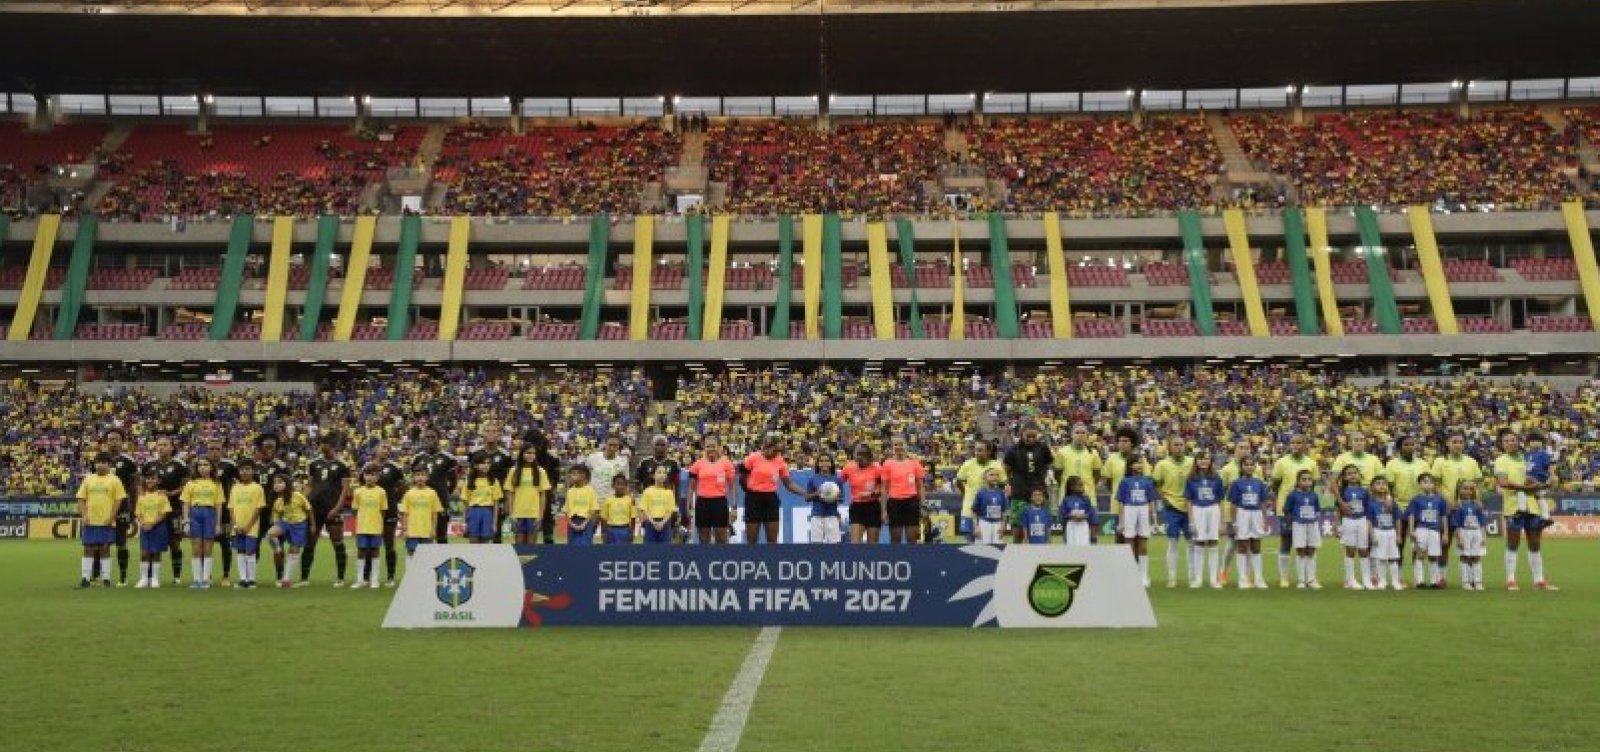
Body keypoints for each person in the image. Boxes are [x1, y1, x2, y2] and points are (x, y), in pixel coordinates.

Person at [1495, 430, 1556, 591]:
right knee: (1513, 543)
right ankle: (1510, 579)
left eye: (1513, 440)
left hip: (1533, 506)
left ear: (1518, 441)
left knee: (1535, 543)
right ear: (1502, 444)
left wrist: (1545, 484)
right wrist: (1525, 487)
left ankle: (1539, 580)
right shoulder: (1501, 460)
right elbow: (1503, 482)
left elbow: (1534, 478)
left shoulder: (1526, 458)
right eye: (1506, 441)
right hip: (1514, 506)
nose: (1510, 443)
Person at [1429, 430, 1480, 585]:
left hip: (1467, 509)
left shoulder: (1471, 461)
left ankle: (1471, 578)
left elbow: (1477, 484)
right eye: (1454, 442)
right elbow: (1435, 485)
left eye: (1460, 442)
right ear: (1448, 444)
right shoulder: (1440, 461)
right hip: (1447, 509)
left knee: (1468, 544)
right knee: (1444, 543)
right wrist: (1447, 504)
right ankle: (1441, 577)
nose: (1457, 445)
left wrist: (1477, 500)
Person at [1269, 434, 1318, 589]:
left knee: (1308, 544)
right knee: (1286, 541)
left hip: (1305, 510)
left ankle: (1308, 578)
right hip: (1286, 509)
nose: (1296, 445)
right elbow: (1275, 485)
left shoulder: (1311, 463)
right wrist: (1280, 501)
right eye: (1293, 443)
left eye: (1299, 442)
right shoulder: (1281, 462)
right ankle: (1284, 577)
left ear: (1304, 445)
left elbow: (1313, 484)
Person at [739, 434, 807, 545]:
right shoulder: (753, 458)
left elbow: (788, 484)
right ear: (766, 447)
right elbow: (742, 477)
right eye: (774, 450)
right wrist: (750, 490)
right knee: (752, 540)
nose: (776, 453)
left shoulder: (780, 462)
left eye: (778, 451)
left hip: (771, 500)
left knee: (772, 541)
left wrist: (805, 493)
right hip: (753, 499)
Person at [304, 434, 352, 586]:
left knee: (337, 542)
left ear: (332, 446)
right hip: (315, 508)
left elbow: (345, 489)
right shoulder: (313, 463)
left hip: (333, 508)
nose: (321, 447)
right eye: (320, 443)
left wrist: (337, 508)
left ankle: (340, 578)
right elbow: (309, 485)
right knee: (310, 542)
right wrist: (304, 503)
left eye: (324, 444)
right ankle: (304, 578)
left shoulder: (342, 465)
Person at [75, 453, 128, 589]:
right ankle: (85, 578)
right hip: (90, 520)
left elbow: (119, 500)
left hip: (106, 521)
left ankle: (106, 578)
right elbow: (81, 498)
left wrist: (111, 517)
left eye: (104, 462)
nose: (100, 464)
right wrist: (84, 515)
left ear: (109, 464)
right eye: (98, 462)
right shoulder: (88, 479)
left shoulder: (115, 480)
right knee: (88, 548)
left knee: (105, 549)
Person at [142, 436, 188, 585]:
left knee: (175, 542)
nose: (161, 447)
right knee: (152, 543)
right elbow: (141, 484)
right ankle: (150, 576)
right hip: (152, 511)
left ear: (171, 447)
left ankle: (177, 576)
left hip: (173, 509)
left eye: (165, 445)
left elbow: (187, 486)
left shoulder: (179, 465)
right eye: (159, 445)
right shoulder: (149, 464)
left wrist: (171, 493)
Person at [1151, 435, 1195, 588]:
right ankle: (1172, 578)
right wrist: (1164, 499)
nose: (1179, 447)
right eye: (1175, 445)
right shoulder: (1162, 464)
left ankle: (1192, 577)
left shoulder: (1191, 462)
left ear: (1185, 446)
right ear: (1170, 447)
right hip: (1172, 508)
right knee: (1173, 542)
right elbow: (1156, 484)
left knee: (1192, 543)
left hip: (1190, 507)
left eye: (1181, 444)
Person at [101, 428, 141, 587]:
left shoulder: (129, 461)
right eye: (110, 439)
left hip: (123, 506)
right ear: (106, 442)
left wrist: (133, 508)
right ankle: (103, 576)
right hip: (103, 507)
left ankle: (123, 577)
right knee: (102, 542)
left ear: (122, 442)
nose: (113, 442)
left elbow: (133, 487)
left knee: (121, 541)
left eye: (117, 439)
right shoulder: (99, 460)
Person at [1382, 434, 1429, 566]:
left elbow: (1428, 485)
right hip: (1400, 507)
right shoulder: (1392, 464)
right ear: (1399, 448)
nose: (1410, 447)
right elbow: (1389, 486)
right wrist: (1390, 500)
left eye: (1412, 444)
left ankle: (1417, 576)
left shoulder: (1423, 464)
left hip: (1419, 508)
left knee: (1418, 543)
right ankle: (1398, 576)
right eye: (1406, 445)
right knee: (1399, 543)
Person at [1224, 455, 1270, 589]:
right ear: (1241, 467)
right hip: (1242, 514)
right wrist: (1234, 522)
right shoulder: (1236, 483)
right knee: (1242, 546)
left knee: (1256, 547)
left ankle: (1258, 579)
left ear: (1255, 467)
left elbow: (1263, 503)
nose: (1249, 467)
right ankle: (1243, 579)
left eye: (1251, 464)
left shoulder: (1259, 483)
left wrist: (1265, 520)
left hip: (1256, 515)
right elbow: (1233, 504)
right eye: (1246, 464)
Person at [1002, 424, 1053, 544]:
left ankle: (1043, 554)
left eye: (1033, 436)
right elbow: (1006, 468)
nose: (1031, 438)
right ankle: (1017, 550)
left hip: (1039, 491)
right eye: (1028, 436)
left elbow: (1048, 464)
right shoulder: (1013, 450)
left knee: (1042, 525)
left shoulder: (1043, 448)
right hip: (1019, 491)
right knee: (1018, 526)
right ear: (1021, 435)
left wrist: (1041, 478)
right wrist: (1010, 483)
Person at [179, 457, 224, 589]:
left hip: (209, 513)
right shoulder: (191, 483)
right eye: (200, 465)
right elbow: (186, 503)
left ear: (211, 467)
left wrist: (218, 524)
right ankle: (196, 579)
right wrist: (186, 521)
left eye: (206, 465)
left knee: (208, 548)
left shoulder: (216, 484)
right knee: (196, 548)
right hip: (195, 513)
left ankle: (205, 579)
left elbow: (219, 505)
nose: (202, 467)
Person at [1216, 440, 1255, 586]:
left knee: (1249, 543)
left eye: (1247, 448)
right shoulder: (1227, 469)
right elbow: (1221, 491)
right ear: (1235, 450)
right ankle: (1223, 571)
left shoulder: (1255, 469)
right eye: (1241, 448)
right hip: (1232, 511)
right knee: (1232, 543)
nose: (1244, 450)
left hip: (1251, 510)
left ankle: (1247, 575)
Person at [1183, 452, 1224, 588]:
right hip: (1197, 509)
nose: (1203, 461)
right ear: (1196, 461)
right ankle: (1198, 579)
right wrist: (1191, 521)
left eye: (1206, 458)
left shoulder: (1216, 478)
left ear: (1210, 461)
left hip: (1213, 509)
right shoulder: (1191, 479)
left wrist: (1222, 521)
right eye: (1201, 459)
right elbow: (1188, 501)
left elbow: (1219, 500)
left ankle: (1213, 579)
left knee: (1213, 542)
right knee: (1199, 542)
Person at [469, 421, 515, 545]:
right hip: (478, 500)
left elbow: (509, 480)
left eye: (494, 431)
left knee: (496, 535)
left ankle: (495, 563)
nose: (491, 434)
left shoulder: (505, 455)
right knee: (475, 537)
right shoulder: (474, 453)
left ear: (499, 435)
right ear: (483, 434)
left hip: (497, 501)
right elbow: (470, 477)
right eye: (488, 431)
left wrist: (506, 502)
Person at [411, 428, 460, 545]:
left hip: (441, 502)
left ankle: (443, 562)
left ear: (438, 439)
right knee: (422, 535)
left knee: (441, 536)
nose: (430, 440)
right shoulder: (418, 458)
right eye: (427, 437)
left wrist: (445, 495)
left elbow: (453, 481)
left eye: (433, 437)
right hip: (422, 502)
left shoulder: (448, 458)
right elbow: (413, 480)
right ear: (424, 439)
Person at [1115, 457, 1157, 587]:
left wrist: (1154, 519)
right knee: (1129, 542)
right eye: (1136, 462)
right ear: (1130, 465)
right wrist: (1121, 522)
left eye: (1140, 462)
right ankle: (1131, 574)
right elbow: (1121, 502)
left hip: (1143, 509)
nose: (1139, 465)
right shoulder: (1125, 481)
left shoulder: (1147, 481)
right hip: (1129, 509)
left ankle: (1144, 575)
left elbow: (1151, 501)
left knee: (1143, 542)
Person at [265, 474, 312, 589]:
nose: (277, 485)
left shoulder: (297, 495)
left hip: (299, 525)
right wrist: (278, 526)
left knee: (294, 551)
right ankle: (278, 549)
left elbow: (309, 510)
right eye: (275, 483)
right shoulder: (277, 501)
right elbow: (276, 517)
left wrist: (313, 525)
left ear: (287, 484)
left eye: (280, 482)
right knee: (270, 534)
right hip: (285, 523)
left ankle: (286, 579)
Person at [687, 436, 737, 545]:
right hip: (702, 504)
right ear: (704, 448)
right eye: (708, 446)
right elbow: (691, 487)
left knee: (722, 540)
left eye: (713, 446)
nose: (711, 449)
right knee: (704, 540)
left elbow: (733, 486)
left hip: (720, 504)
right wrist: (689, 507)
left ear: (718, 447)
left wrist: (734, 508)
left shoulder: (726, 463)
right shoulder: (697, 464)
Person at [634, 435, 684, 542]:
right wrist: (646, 496)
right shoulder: (644, 463)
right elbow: (637, 483)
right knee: (650, 537)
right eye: (657, 444)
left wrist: (677, 506)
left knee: (667, 538)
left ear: (667, 447)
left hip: (667, 508)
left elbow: (677, 486)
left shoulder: (674, 463)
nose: (660, 447)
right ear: (653, 446)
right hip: (649, 509)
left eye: (663, 445)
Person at [226, 460, 266, 590]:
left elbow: (258, 509)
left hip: (251, 527)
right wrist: (235, 525)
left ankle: (252, 579)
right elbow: (231, 508)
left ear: (253, 471)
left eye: (248, 469)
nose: (244, 472)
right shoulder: (235, 488)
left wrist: (248, 525)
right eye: (242, 469)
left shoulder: (257, 488)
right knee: (240, 552)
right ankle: (243, 579)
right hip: (237, 527)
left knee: (250, 552)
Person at [954, 438, 1005, 542]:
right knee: (969, 542)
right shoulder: (967, 464)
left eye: (981, 450)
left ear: (989, 452)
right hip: (969, 510)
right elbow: (959, 482)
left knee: (990, 544)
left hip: (990, 512)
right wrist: (966, 494)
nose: (977, 453)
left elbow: (1003, 484)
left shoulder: (997, 465)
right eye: (976, 450)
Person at [1406, 473, 1450, 590]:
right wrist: (1411, 530)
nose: (1428, 484)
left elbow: (1443, 517)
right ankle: (1419, 580)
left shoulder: (1439, 500)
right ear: (1419, 484)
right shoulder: (1416, 499)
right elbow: (1411, 515)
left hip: (1435, 530)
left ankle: (1434, 581)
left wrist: (1445, 533)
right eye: (1425, 481)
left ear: (1434, 484)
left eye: (1430, 482)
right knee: (1420, 554)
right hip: (1421, 529)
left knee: (1433, 556)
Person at [880, 437, 927, 544]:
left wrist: (923, 505)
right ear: (892, 448)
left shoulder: (915, 463)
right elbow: (884, 489)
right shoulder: (887, 464)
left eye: (901, 444)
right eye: (896, 445)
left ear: (906, 447)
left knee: (912, 539)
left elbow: (920, 486)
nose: (899, 447)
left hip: (912, 503)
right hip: (894, 503)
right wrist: (883, 510)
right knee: (895, 539)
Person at [372, 444, 407, 587]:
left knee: (389, 544)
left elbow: (403, 486)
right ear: (375, 450)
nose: (385, 450)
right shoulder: (368, 467)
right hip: (372, 511)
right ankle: (369, 577)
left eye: (388, 448)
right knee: (371, 545)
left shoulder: (394, 467)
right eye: (382, 447)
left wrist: (394, 501)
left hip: (390, 510)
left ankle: (391, 577)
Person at [349, 465, 388, 589]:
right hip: (362, 527)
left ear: (377, 477)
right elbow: (355, 510)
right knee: (361, 551)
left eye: (372, 475)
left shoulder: (381, 492)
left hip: (375, 527)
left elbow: (383, 510)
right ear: (363, 476)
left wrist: (379, 524)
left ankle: (374, 579)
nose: (369, 477)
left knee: (375, 551)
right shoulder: (358, 491)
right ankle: (360, 579)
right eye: (367, 474)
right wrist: (359, 523)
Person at [1335, 465, 1373, 591]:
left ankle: (1367, 580)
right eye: (1349, 473)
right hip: (1348, 521)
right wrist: (1337, 524)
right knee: (1350, 550)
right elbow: (1338, 509)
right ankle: (1350, 579)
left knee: (1363, 550)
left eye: (1354, 473)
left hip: (1362, 520)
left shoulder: (1364, 491)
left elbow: (1368, 509)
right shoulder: (1342, 491)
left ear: (1359, 475)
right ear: (1345, 477)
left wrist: (1368, 524)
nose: (1352, 475)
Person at [504, 446, 552, 546]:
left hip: (534, 514)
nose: (531, 455)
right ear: (522, 454)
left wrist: (540, 516)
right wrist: (512, 514)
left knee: (531, 547)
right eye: (528, 453)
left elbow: (543, 495)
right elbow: (510, 494)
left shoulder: (541, 471)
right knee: (519, 546)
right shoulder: (513, 471)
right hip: (518, 514)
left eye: (533, 453)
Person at [1284, 469, 1323, 590]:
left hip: (1312, 524)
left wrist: (1315, 521)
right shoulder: (1293, 495)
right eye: (1304, 479)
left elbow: (1317, 510)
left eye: (1309, 479)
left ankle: (1311, 579)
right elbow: (1286, 510)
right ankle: (1301, 580)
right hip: (1299, 524)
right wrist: (1290, 523)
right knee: (1301, 550)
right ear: (1298, 481)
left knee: (1311, 550)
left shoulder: (1314, 495)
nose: (1307, 482)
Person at [1103, 427, 1141, 548]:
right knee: (1119, 537)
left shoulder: (1140, 459)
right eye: (1120, 441)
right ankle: (1119, 566)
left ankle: (1135, 566)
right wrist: (1117, 494)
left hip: (1137, 505)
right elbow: (1108, 481)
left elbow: (1146, 481)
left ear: (1132, 443)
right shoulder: (1112, 458)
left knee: (1136, 539)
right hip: (1117, 505)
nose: (1122, 444)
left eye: (1125, 441)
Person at [209, 437, 239, 587]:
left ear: (222, 450)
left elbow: (241, 482)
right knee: (206, 544)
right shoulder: (201, 465)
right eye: (211, 449)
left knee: (225, 543)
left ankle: (226, 575)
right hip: (206, 510)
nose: (214, 452)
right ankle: (206, 575)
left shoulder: (230, 465)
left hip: (225, 511)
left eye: (217, 449)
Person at [841, 444, 884, 544]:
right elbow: (838, 482)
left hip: (873, 507)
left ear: (868, 456)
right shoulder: (849, 467)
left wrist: (873, 494)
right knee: (855, 543)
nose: (859, 457)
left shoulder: (877, 468)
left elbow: (884, 487)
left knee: (872, 543)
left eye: (862, 454)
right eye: (857, 454)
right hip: (857, 507)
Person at [1052, 422, 1101, 510]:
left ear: (1087, 435)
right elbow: (1057, 474)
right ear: (1072, 435)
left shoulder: (1093, 453)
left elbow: (1097, 474)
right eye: (1077, 432)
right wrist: (1066, 485)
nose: (1080, 435)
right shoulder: (1062, 452)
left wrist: (1088, 486)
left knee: (1092, 523)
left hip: (1088, 497)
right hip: (1066, 497)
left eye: (1083, 433)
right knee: (1065, 523)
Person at [1451, 479, 1489, 591]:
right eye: (1465, 488)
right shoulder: (1458, 506)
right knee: (1464, 557)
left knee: (1476, 557)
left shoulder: (1477, 505)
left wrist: (1484, 536)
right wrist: (1458, 539)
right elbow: (1456, 524)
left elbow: (1482, 522)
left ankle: (1477, 581)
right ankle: (1466, 581)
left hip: (1476, 532)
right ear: (1459, 490)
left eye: (1471, 489)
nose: (1468, 491)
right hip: (1464, 532)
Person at [1367, 478, 1404, 590]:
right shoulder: (1371, 504)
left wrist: (1398, 535)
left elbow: (1398, 520)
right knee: (1381, 558)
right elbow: (1369, 522)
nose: (1381, 486)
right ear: (1372, 487)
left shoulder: (1393, 503)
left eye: (1384, 484)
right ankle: (1382, 580)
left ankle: (1395, 581)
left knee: (1393, 558)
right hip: (1379, 532)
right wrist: (1372, 536)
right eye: (1378, 484)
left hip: (1391, 532)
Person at [134, 472, 169, 589]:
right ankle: (143, 579)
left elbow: (164, 513)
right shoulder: (141, 496)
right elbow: (138, 513)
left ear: (158, 481)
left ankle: (154, 579)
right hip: (145, 527)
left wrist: (152, 523)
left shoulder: (162, 496)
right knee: (144, 553)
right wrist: (143, 523)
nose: (150, 481)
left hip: (158, 527)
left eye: (153, 479)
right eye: (148, 479)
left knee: (156, 553)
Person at [802, 452, 846, 544]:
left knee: (835, 545)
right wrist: (817, 493)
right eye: (821, 461)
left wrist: (832, 497)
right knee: (817, 545)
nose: (824, 463)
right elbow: (807, 497)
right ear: (818, 463)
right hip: (817, 516)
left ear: (831, 463)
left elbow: (841, 499)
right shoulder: (813, 479)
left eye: (827, 461)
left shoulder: (837, 480)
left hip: (832, 515)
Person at [400, 469, 444, 556]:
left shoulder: (432, 493)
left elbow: (434, 514)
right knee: (411, 554)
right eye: (418, 475)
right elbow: (405, 513)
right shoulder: (409, 493)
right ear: (414, 477)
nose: (420, 477)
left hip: (426, 531)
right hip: (412, 531)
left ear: (427, 477)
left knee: (426, 556)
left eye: (423, 475)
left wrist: (433, 530)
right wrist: (404, 530)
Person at [459, 455, 501, 544]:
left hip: (487, 512)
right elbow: (465, 504)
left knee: (485, 542)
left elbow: (496, 504)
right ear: (475, 465)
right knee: (473, 542)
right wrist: (464, 522)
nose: (486, 465)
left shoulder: (494, 481)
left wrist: (494, 523)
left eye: (488, 463)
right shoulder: (469, 481)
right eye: (483, 463)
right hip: (473, 512)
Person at [585, 435, 631, 514]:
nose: (612, 448)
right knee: (592, 525)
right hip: (594, 500)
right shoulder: (593, 458)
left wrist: (627, 499)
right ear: (605, 445)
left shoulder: (623, 462)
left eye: (615, 446)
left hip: (612, 501)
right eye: (610, 445)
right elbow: (585, 475)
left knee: (610, 525)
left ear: (618, 447)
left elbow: (626, 482)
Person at [637, 466, 677, 545]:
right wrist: (653, 523)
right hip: (650, 524)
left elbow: (670, 511)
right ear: (653, 475)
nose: (662, 475)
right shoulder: (647, 491)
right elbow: (644, 509)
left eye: (664, 472)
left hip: (665, 525)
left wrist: (662, 523)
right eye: (659, 472)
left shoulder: (669, 492)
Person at [1524, 431, 1556, 524]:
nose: (1535, 443)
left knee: (1539, 496)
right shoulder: (1526, 455)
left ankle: (1546, 517)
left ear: (1542, 443)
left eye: (1538, 441)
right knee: (1532, 496)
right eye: (1532, 441)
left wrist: (1551, 478)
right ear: (1529, 443)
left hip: (1540, 480)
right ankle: (1531, 513)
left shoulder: (1543, 454)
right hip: (1528, 479)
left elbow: (1550, 467)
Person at [972, 468, 1009, 545]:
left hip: (997, 524)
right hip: (984, 523)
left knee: (998, 549)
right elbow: (974, 511)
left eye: (997, 475)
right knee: (982, 549)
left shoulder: (1002, 493)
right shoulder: (981, 493)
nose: (995, 477)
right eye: (991, 475)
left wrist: (1003, 526)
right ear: (985, 478)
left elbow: (1005, 511)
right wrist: (976, 527)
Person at [564, 466, 599, 545]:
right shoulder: (570, 491)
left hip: (586, 523)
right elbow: (566, 510)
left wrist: (584, 524)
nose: (572, 476)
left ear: (583, 475)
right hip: (572, 522)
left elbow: (593, 510)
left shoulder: (590, 491)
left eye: (574, 474)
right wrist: (571, 524)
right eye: (571, 474)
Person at [1058, 476, 1097, 547]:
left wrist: (1084, 516)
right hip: (1071, 526)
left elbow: (1090, 512)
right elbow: (1063, 515)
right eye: (1080, 485)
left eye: (1082, 485)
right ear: (1071, 487)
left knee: (1084, 546)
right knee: (1071, 546)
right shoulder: (1066, 499)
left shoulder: (1086, 499)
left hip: (1083, 525)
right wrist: (1072, 516)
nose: (1082, 487)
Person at [601, 475, 636, 545]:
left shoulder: (630, 500)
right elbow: (603, 518)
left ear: (626, 486)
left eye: (623, 484)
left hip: (625, 530)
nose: (620, 487)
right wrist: (604, 533)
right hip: (611, 530)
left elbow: (633, 518)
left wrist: (632, 532)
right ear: (613, 486)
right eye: (618, 484)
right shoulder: (607, 500)